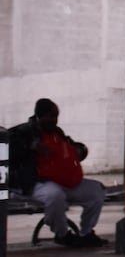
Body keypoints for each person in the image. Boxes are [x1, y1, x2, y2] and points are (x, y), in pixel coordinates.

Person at [7, 98, 106, 247]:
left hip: (62, 180)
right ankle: (62, 234)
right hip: (34, 184)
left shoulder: (57, 132)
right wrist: (31, 147)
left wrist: (78, 150)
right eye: (51, 116)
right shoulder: (23, 132)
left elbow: (71, 147)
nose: (55, 120)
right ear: (40, 116)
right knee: (55, 195)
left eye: (56, 116)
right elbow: (9, 150)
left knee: (96, 191)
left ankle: (86, 233)